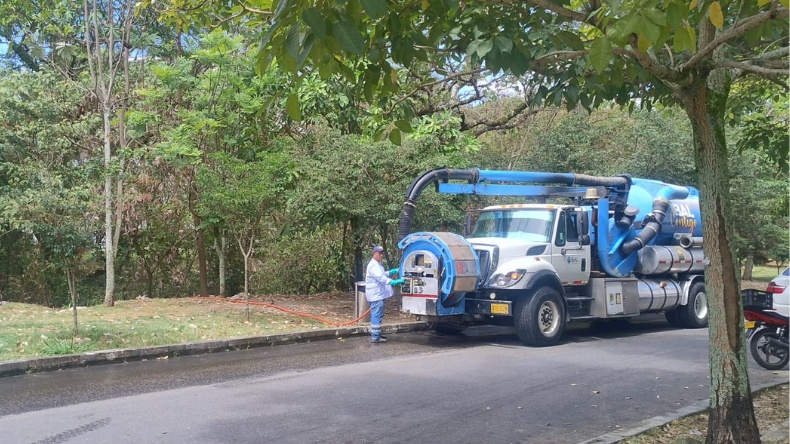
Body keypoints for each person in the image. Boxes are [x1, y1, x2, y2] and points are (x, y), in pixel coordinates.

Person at [365, 245, 403, 343]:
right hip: (375, 295)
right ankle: (375, 337)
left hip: (377, 295)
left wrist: (391, 271)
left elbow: (382, 274)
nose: (381, 255)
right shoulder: (373, 265)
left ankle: (376, 334)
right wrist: (394, 282)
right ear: (374, 254)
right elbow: (381, 278)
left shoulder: (377, 264)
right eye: (379, 253)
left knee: (377, 314)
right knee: (376, 315)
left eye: (382, 253)